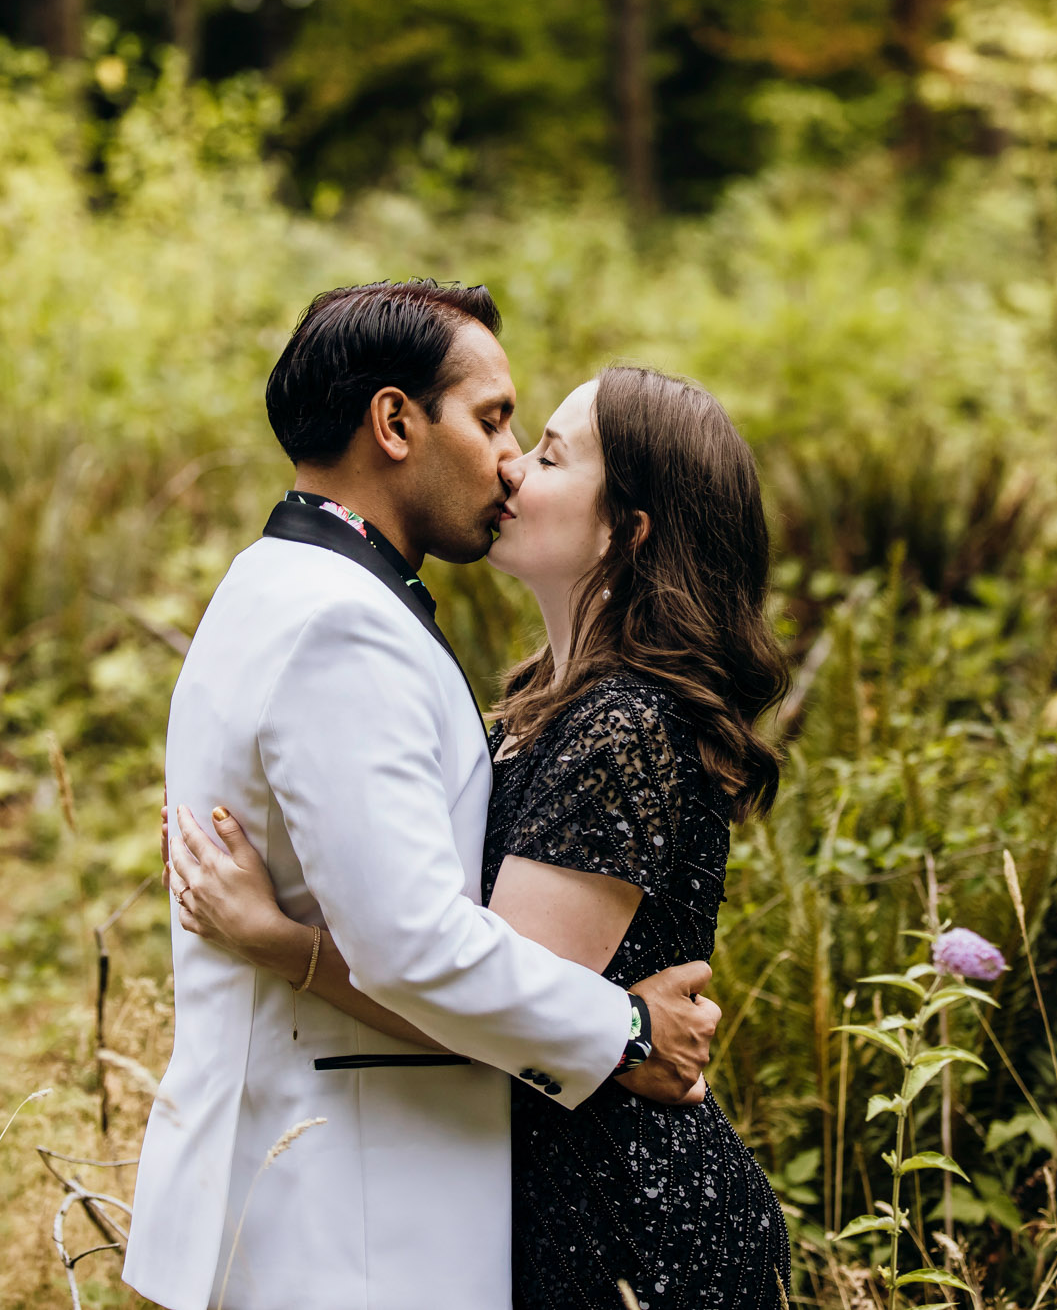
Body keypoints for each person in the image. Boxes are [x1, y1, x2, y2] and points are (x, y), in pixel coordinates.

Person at [120, 281, 725, 1310]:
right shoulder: (338, 625)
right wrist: (623, 1030)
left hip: (331, 1191)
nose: (506, 460)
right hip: (350, 1218)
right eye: (493, 419)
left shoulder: (273, 584)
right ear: (395, 421)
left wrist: (281, 939)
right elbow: (410, 944)